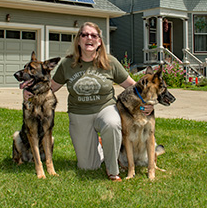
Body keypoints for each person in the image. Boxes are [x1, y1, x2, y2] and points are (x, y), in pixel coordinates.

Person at [38, 22, 152, 181]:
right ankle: (101, 145)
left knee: (112, 124)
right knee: (88, 166)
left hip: (105, 108)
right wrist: (30, 93)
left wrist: (147, 104)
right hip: (79, 114)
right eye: (84, 35)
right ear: (78, 41)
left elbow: (133, 86)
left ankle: (113, 170)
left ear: (99, 41)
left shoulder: (110, 62)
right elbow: (51, 88)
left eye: (93, 35)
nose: (88, 38)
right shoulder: (67, 64)